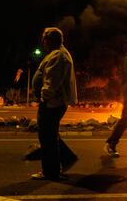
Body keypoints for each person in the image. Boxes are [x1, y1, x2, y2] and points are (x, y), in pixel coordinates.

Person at [31, 27, 78, 180]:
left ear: (49, 40)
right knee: (49, 135)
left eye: (44, 40)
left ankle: (51, 172)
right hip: (53, 102)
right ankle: (65, 159)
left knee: (47, 137)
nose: (43, 43)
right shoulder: (57, 54)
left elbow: (52, 82)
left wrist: (44, 98)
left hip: (52, 103)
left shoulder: (59, 56)